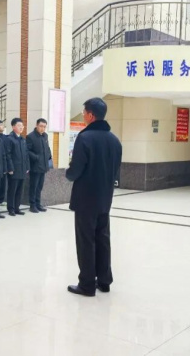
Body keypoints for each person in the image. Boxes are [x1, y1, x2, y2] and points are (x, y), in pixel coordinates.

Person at [66, 98, 122, 297]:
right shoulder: (114, 140)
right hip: (105, 198)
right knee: (103, 238)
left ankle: (87, 284)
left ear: (90, 115)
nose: (83, 115)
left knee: (86, 241)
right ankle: (104, 281)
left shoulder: (85, 138)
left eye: (84, 112)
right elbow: (116, 170)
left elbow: (75, 170)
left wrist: (68, 173)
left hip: (85, 199)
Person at [4, 118, 30, 216]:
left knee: (20, 190)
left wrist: (27, 167)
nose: (21, 127)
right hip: (14, 169)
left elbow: (26, 154)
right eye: (19, 125)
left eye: (22, 126)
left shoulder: (22, 139)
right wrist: (10, 168)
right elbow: (8, 154)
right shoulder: (9, 139)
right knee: (12, 189)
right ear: (13, 126)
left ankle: (17, 207)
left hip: (22, 169)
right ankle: (11, 208)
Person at [26, 118, 52, 213]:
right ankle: (32, 205)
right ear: (36, 125)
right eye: (41, 126)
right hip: (35, 166)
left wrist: (49, 156)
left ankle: (38, 203)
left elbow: (47, 148)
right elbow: (27, 150)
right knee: (34, 186)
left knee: (40, 186)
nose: (42, 128)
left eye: (44, 127)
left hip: (43, 165)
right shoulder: (30, 136)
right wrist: (36, 157)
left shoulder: (45, 136)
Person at [0, 122, 8, 206]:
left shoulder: (6, 137)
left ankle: (1, 199)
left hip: (5, 161)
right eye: (1, 125)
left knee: (3, 183)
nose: (3, 126)